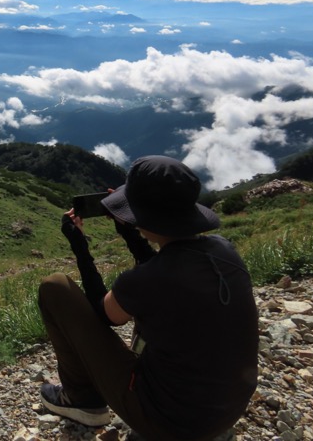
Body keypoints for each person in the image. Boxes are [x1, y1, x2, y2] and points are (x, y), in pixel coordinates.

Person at [38, 155, 258, 441]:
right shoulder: (224, 250)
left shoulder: (146, 280)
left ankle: (81, 399)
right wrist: (131, 234)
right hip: (224, 413)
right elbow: (165, 269)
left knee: (54, 287)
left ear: (142, 215)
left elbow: (105, 314)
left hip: (168, 424)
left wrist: (80, 247)